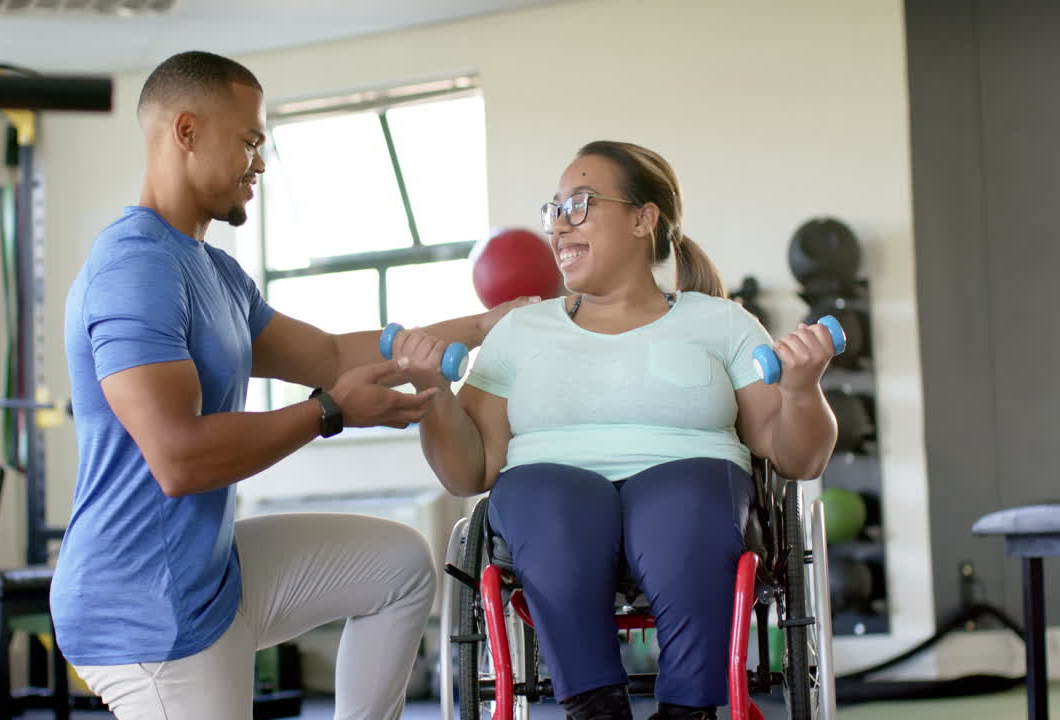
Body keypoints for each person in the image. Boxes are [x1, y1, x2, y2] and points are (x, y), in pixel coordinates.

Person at [50, 50, 530, 720]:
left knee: (397, 566)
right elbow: (179, 459)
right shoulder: (134, 271)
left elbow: (333, 353)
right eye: (248, 141)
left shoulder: (215, 274)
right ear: (185, 132)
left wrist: (484, 326)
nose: (261, 163)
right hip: (143, 606)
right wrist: (330, 413)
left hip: (210, 570)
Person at [390, 141, 838, 720]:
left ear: (642, 218)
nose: (559, 226)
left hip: (692, 490)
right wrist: (434, 397)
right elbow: (468, 470)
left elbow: (796, 458)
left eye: (579, 204)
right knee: (552, 499)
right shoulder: (520, 331)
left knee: (683, 502)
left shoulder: (721, 322)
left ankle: (688, 710)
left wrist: (802, 389)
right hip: (548, 497)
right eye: (553, 210)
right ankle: (595, 709)